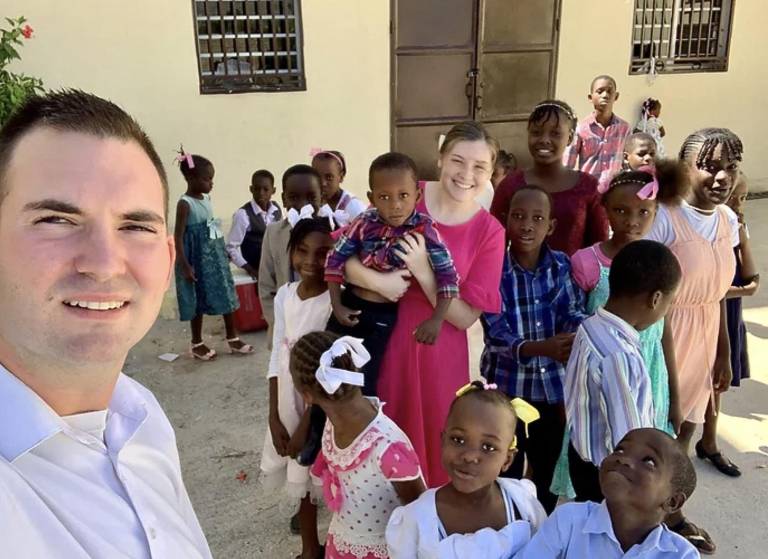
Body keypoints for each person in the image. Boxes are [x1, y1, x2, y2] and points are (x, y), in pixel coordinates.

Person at [0, 89, 211, 557]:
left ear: (168, 258)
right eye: (56, 219)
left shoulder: (140, 416)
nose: (103, 264)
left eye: (136, 227)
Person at [344, 121, 506, 487]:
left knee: (433, 448)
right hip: (381, 340)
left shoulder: (489, 231)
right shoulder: (403, 192)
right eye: (458, 161)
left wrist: (424, 271)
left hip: (438, 353)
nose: (466, 175)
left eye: (479, 167)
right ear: (440, 159)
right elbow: (341, 252)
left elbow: (465, 318)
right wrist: (377, 281)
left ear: (491, 172)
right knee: (377, 436)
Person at [645, 127, 744, 554]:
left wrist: (724, 354)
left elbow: (719, 294)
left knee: (686, 429)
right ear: (686, 169)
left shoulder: (728, 221)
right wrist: (666, 367)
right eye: (709, 166)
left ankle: (670, 511)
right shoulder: (664, 217)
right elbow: (650, 297)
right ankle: (639, 515)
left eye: (730, 167)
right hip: (665, 335)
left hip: (706, 333)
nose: (721, 177)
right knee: (655, 430)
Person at [480, 186, 586, 513]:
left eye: (537, 218)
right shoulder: (494, 268)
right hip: (507, 390)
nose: (527, 225)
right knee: (504, 465)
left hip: (552, 391)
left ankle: (540, 527)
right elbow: (496, 332)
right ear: (505, 220)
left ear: (550, 227)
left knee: (545, 465)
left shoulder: (560, 266)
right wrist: (543, 347)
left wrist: (579, 332)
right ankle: (507, 526)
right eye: (519, 216)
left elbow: (572, 311)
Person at [325, 151, 460, 389]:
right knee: (328, 372)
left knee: (364, 382)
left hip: (382, 316)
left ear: (417, 195)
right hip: (350, 303)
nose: (395, 205)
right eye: (384, 197)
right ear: (372, 197)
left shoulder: (425, 231)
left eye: (404, 195)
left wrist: (437, 320)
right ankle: (320, 426)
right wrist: (336, 304)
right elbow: (335, 258)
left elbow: (448, 278)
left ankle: (360, 426)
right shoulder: (363, 223)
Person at [288, 331, 425, 559]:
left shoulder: (386, 447)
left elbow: (421, 510)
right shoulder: (332, 424)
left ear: (307, 396)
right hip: (342, 544)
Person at [564, 240, 682, 503]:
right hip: (611, 477)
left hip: (581, 455)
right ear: (656, 299)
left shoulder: (590, 326)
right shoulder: (621, 357)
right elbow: (631, 442)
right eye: (669, 303)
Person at [386, 381, 546, 559]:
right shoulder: (416, 519)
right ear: (442, 440)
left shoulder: (522, 503)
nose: (469, 456)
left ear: (507, 460)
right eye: (458, 439)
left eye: (488, 447)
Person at [259, 217, 335, 559]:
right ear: (291, 253)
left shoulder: (335, 303)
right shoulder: (286, 296)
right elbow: (278, 350)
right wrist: (274, 414)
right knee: (298, 475)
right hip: (289, 401)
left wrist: (307, 423)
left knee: (325, 474)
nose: (310, 261)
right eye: (302, 251)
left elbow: (332, 370)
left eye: (322, 253)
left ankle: (337, 544)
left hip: (321, 405)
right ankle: (309, 548)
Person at [516, 428, 699, 558]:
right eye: (619, 449)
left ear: (673, 501)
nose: (623, 459)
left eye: (648, 461)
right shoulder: (569, 520)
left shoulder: (681, 554)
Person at [491, 100, 609, 255]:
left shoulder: (589, 187)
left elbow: (599, 247)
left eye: (555, 133)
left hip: (574, 278)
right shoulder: (511, 185)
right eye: (536, 132)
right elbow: (494, 242)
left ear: (570, 138)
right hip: (517, 278)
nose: (544, 139)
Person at [173, 149, 253, 360]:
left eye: (212, 179)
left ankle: (232, 338)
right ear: (191, 178)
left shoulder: (207, 197)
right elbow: (178, 237)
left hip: (213, 256)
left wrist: (222, 250)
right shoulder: (185, 204)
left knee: (226, 292)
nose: (211, 183)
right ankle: (196, 342)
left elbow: (212, 224)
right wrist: (185, 266)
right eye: (207, 179)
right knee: (197, 299)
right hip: (195, 259)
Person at [258, 164, 323, 338]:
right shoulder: (273, 233)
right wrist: (277, 324)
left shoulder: (333, 233)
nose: (302, 205)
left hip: (323, 326)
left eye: (311, 197)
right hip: (286, 329)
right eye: (294, 197)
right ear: (284, 199)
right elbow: (266, 284)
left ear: (321, 197)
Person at [564, 75, 631, 190]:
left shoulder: (624, 129)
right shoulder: (580, 128)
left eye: (609, 91)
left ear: (616, 96)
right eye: (600, 92)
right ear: (590, 97)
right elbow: (567, 166)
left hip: (613, 192)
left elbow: (628, 162)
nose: (605, 95)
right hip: (588, 190)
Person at [725, 172, 759, 388]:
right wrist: (743, 290)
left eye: (743, 197)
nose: (738, 203)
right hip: (711, 312)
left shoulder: (739, 228)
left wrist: (743, 240)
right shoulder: (711, 230)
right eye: (732, 196)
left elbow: (751, 278)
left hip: (731, 310)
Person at [225, 169, 282, 278]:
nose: (261, 193)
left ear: (273, 190)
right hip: (256, 269)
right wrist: (250, 270)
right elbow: (231, 248)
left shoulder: (276, 209)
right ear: (251, 189)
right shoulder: (243, 214)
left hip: (275, 268)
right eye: (257, 189)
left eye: (266, 189)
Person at [311, 149, 366, 226]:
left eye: (329, 177)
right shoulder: (311, 205)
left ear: (341, 176)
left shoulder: (353, 207)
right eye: (317, 177)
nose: (323, 183)